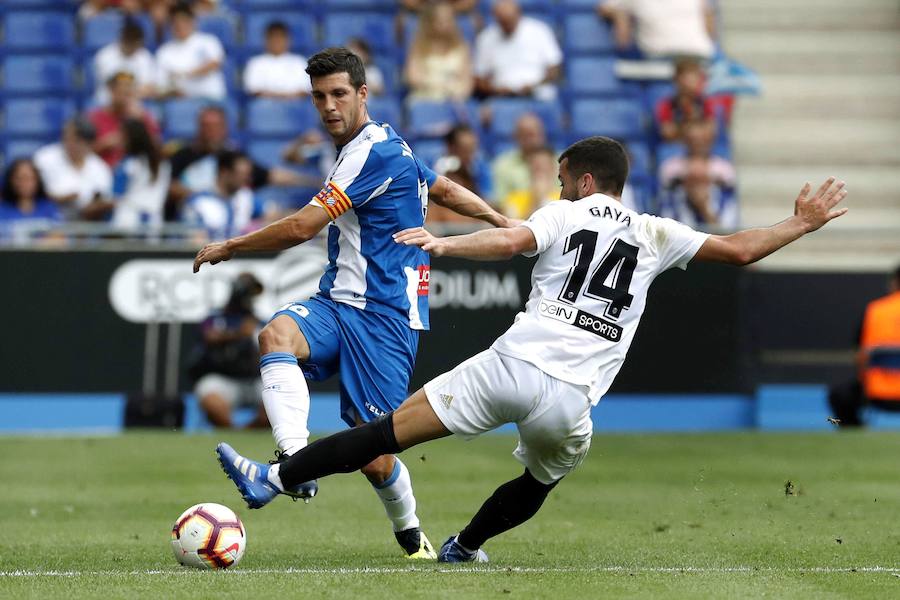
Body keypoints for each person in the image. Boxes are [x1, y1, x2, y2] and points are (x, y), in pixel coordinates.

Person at [214, 136, 849, 563]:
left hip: (512, 365)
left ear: (586, 180)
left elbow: (512, 240)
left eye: (566, 180)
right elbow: (740, 250)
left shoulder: (563, 214)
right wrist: (804, 223)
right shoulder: (659, 232)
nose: (563, 188)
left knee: (385, 434)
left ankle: (275, 477)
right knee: (541, 478)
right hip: (571, 400)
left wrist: (447, 244)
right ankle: (465, 547)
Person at [192, 47, 514, 559]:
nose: (328, 106)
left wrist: (232, 245)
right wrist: (498, 220)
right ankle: (293, 465)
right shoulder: (385, 144)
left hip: (385, 316)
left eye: (339, 94)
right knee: (275, 335)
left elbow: (302, 227)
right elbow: (442, 187)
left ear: (362, 94)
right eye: (319, 96)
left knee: (375, 453)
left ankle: (412, 537)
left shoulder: (374, 152)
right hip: (337, 301)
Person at [166, 105, 305, 220]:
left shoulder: (234, 157)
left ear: (225, 128)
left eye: (216, 126)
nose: (211, 132)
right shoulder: (181, 155)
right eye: (206, 126)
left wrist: (314, 182)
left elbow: (270, 175)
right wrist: (204, 196)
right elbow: (168, 186)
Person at [189, 273, 269, 429]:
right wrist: (239, 334)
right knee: (209, 395)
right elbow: (208, 336)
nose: (251, 299)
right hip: (224, 378)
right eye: (248, 294)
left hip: (254, 379)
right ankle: (231, 431)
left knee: (281, 399)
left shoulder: (258, 321)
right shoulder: (216, 318)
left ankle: (247, 434)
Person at [829, 266, 900, 426]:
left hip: (878, 393)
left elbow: (860, 355)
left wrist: (865, 379)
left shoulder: (874, 310)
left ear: (894, 283)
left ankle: (853, 436)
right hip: (879, 393)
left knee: (839, 396)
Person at [473, 0, 562, 100]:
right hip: (502, 99)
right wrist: (494, 90)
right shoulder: (486, 38)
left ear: (519, 14)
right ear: (496, 19)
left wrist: (535, 86)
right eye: (503, 22)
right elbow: (479, 78)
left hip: (538, 97)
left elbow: (555, 70)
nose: (508, 26)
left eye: (510, 21)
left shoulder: (540, 31)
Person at [658, 119, 737, 230]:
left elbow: (727, 231)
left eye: (702, 139)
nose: (697, 144)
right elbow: (666, 228)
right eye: (692, 140)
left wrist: (704, 208)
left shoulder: (724, 172)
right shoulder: (671, 170)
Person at [34, 117, 114, 221]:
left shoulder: (100, 169)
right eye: (67, 137)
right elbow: (28, 192)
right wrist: (58, 198)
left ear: (89, 144)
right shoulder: (44, 158)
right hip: (47, 218)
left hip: (85, 225)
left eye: (77, 140)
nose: (70, 143)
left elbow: (102, 200)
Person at [183, 150, 273, 241]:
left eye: (248, 175)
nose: (248, 180)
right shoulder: (198, 202)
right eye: (242, 175)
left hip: (242, 253)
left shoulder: (245, 196)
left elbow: (274, 215)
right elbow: (194, 241)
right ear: (224, 172)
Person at [598, 0, 716, 60]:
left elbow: (708, 17)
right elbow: (605, 8)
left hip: (699, 55)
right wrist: (620, 16)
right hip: (661, 56)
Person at [89, 71, 162, 168]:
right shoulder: (94, 117)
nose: (125, 98)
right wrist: (104, 144)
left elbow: (157, 148)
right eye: (121, 92)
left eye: (129, 93)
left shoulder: (142, 116)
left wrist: (140, 122)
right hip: (103, 172)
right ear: (111, 91)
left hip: (135, 173)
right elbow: (81, 151)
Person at [405, 1, 473, 102]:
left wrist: (453, 93)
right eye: (440, 20)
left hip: (454, 101)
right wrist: (443, 86)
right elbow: (413, 78)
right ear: (430, 22)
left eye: (448, 20)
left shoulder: (462, 47)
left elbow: (467, 85)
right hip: (424, 99)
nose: (445, 24)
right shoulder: (418, 46)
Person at [155, 3, 226, 100]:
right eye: (175, 22)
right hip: (182, 101)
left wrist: (185, 74)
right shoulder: (164, 51)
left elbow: (215, 63)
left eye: (184, 21)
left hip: (210, 99)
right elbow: (161, 83)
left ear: (193, 22)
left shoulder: (208, 41)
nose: (180, 25)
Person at [111, 119, 171, 232]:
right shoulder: (163, 163)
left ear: (129, 138)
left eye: (121, 136)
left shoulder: (128, 165)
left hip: (127, 221)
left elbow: (116, 196)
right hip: (154, 222)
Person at [491, 113, 559, 212]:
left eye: (535, 134)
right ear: (515, 137)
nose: (532, 140)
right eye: (525, 135)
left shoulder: (563, 161)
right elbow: (502, 205)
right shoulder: (502, 165)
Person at [656, 59, 727, 143]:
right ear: (677, 79)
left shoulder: (705, 102)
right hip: (677, 146)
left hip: (700, 148)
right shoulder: (668, 104)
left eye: (694, 78)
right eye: (686, 78)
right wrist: (688, 124)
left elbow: (711, 130)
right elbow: (667, 133)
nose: (690, 83)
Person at [92, 19, 157, 105]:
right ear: (122, 39)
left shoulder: (144, 56)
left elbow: (148, 88)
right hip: (107, 103)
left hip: (135, 104)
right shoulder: (104, 56)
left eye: (137, 44)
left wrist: (132, 94)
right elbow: (111, 87)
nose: (134, 47)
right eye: (130, 42)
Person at [243, 21, 312, 100]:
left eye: (280, 37)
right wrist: (279, 98)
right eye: (272, 37)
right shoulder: (255, 63)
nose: (276, 41)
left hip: (294, 106)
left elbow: (305, 90)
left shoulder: (299, 62)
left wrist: (284, 98)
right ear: (265, 39)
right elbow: (253, 90)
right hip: (266, 106)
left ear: (288, 40)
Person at [0, 159, 61, 240]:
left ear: (37, 181)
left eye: (29, 178)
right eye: (19, 178)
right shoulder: (2, 209)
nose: (24, 183)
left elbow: (59, 237)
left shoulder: (49, 208)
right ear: (11, 180)